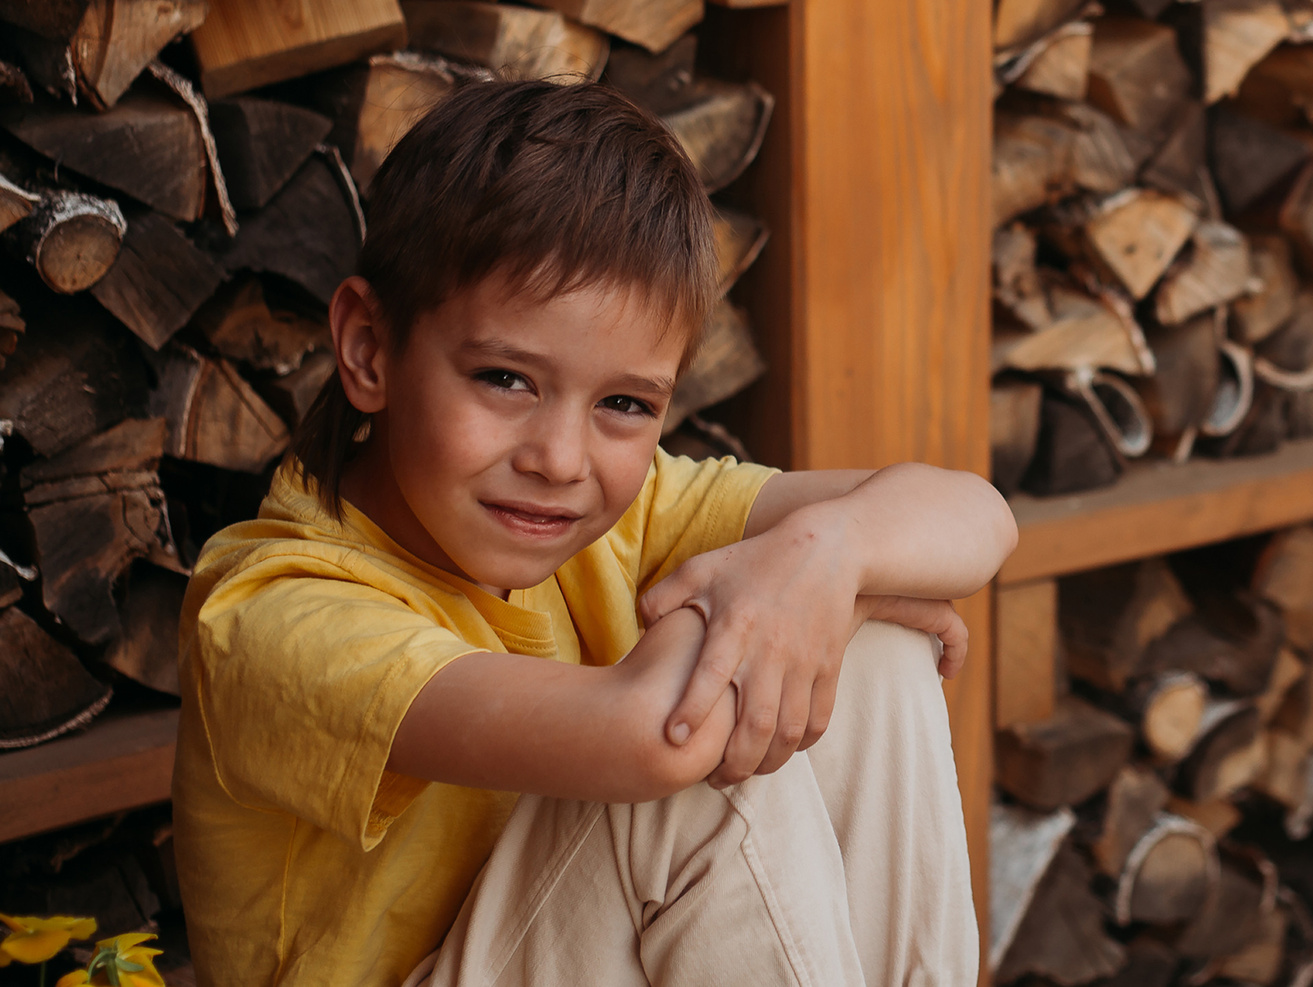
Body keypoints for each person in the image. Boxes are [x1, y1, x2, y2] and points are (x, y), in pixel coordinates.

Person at [173, 80, 1018, 987]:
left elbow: (977, 514)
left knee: (872, 648)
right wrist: (783, 595)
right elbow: (657, 735)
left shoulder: (621, 515)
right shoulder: (271, 613)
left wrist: (830, 554)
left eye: (623, 403)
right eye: (505, 379)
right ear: (371, 349)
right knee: (709, 735)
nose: (561, 458)